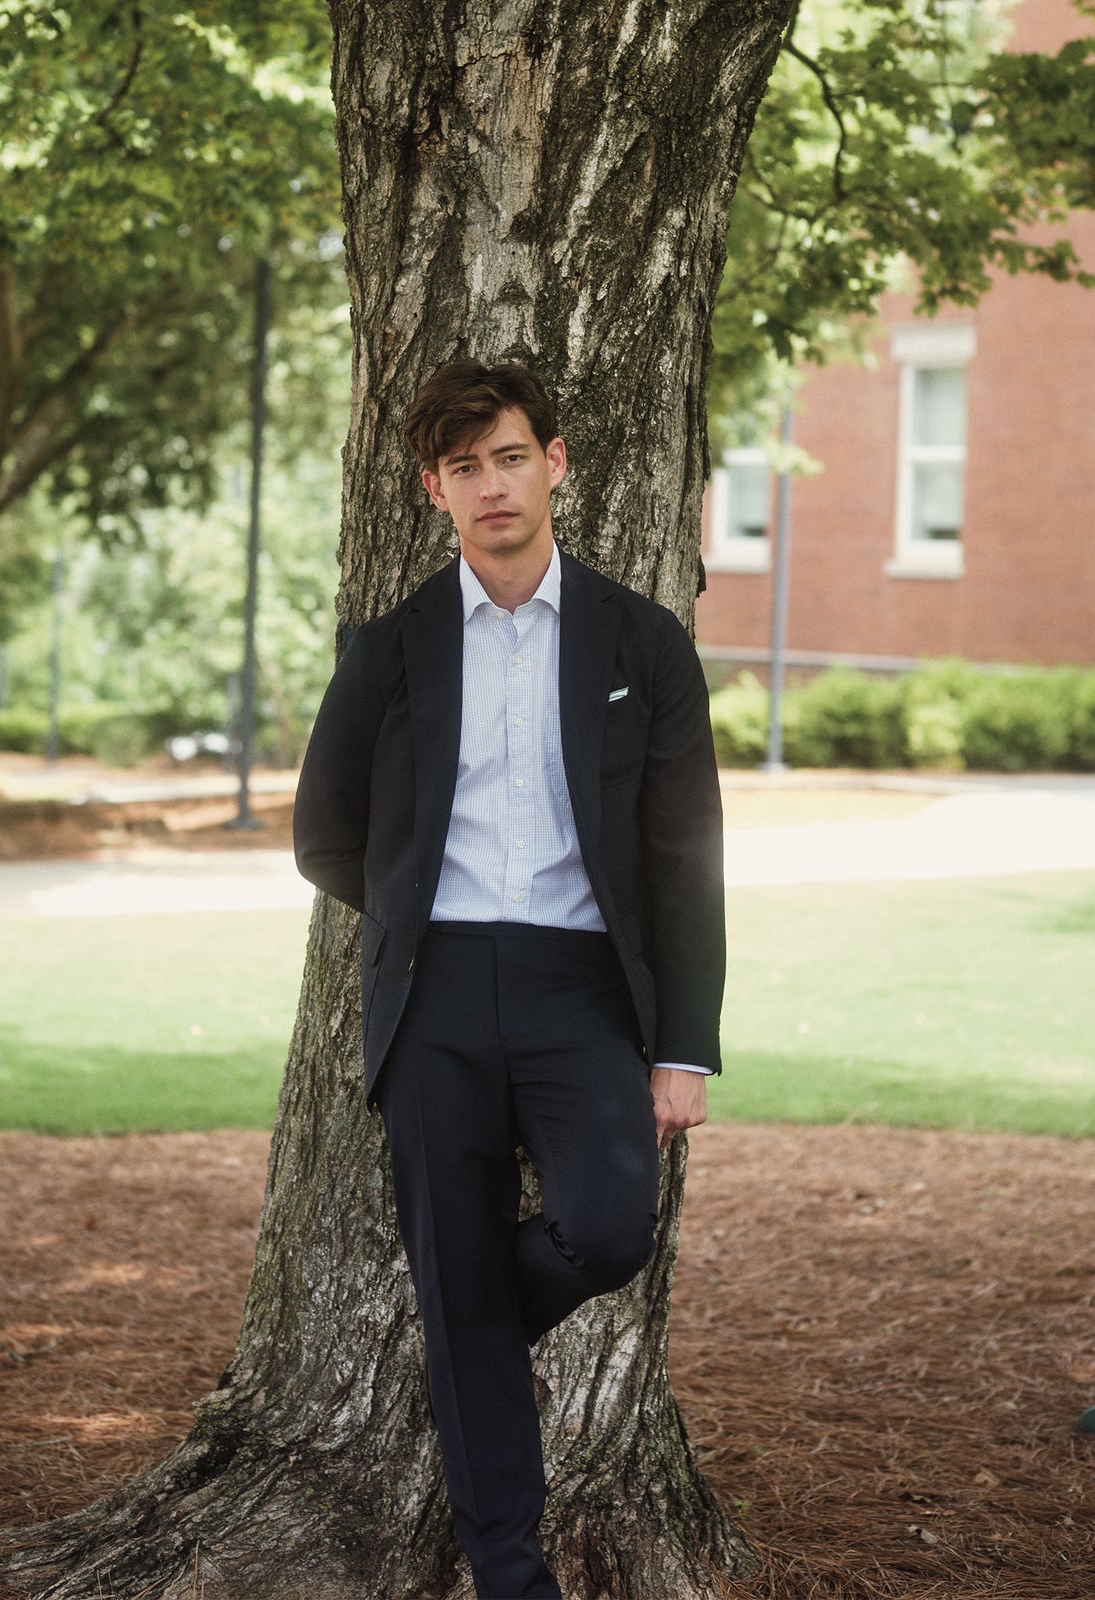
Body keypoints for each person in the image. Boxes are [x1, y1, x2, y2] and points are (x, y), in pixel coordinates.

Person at [293, 359, 725, 1600]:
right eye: (465, 467)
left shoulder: (643, 645)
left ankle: (466, 1332)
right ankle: (509, 1576)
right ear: (434, 489)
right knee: (459, 1268)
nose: (493, 486)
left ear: (557, 464)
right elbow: (325, 836)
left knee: (601, 1225)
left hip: (580, 989)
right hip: (431, 994)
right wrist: (423, 895)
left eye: (511, 457)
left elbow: (684, 858)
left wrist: (681, 1047)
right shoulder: (388, 651)